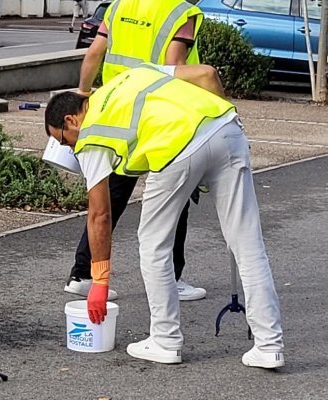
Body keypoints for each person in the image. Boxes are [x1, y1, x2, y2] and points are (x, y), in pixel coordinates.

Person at [44, 63, 284, 368]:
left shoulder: (91, 134)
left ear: (71, 120)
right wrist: (215, 146)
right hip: (226, 128)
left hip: (173, 150)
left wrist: (100, 282)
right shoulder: (133, 74)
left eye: (63, 140)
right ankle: (269, 346)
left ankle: (166, 340)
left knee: (154, 244)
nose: (68, 147)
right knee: (248, 245)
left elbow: (100, 216)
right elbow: (207, 75)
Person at [65, 0, 207, 302]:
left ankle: (82, 274)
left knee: (110, 196)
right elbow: (174, 69)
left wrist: (83, 96)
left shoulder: (117, 7)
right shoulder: (179, 12)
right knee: (175, 194)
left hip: (117, 112)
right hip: (157, 115)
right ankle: (172, 277)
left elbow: (94, 53)